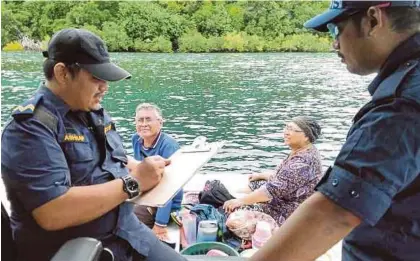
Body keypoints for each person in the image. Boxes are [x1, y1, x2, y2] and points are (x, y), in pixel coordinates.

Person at [250, 1, 420, 261]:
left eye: (335, 29)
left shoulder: (400, 107)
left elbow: (335, 214)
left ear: (373, 20)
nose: (334, 44)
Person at [1, 28, 186, 261]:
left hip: (127, 232)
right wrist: (134, 183)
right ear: (63, 73)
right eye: (96, 77)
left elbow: (111, 159)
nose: (104, 86)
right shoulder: (29, 129)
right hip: (78, 250)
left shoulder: (91, 110)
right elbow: (52, 211)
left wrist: (148, 168)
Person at [223, 117, 323, 226]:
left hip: (290, 209)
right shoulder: (304, 150)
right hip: (288, 195)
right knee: (256, 183)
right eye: (286, 127)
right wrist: (260, 175)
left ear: (306, 137)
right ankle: (237, 198)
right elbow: (284, 178)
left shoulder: (302, 162)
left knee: (234, 217)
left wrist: (240, 201)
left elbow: (271, 191)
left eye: (291, 129)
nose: (286, 132)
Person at [129, 103, 183, 242]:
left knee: (129, 219)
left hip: (165, 201)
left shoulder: (169, 146)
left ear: (160, 123)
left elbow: (169, 187)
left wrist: (160, 224)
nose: (144, 124)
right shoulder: (136, 139)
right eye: (140, 120)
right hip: (146, 192)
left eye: (148, 119)